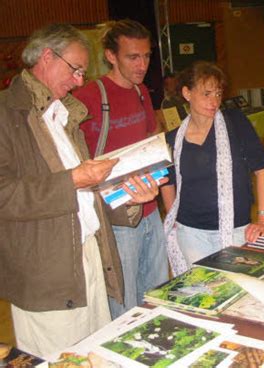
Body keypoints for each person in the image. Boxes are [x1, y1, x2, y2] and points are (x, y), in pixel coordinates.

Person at [0, 24, 160, 356]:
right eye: (75, 69)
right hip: (48, 270)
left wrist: (127, 197)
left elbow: (86, 193)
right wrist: (72, 179)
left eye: (82, 73)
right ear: (47, 57)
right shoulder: (6, 114)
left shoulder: (63, 114)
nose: (78, 81)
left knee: (93, 354)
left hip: (90, 254)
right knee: (58, 359)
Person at [74, 19, 169, 319]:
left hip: (150, 211)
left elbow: (153, 145)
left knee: (156, 298)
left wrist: (169, 206)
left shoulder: (143, 92)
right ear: (111, 56)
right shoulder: (87, 97)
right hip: (115, 218)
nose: (142, 64)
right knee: (124, 306)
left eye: (147, 56)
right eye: (133, 57)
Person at [161, 61, 264, 275]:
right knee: (204, 292)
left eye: (218, 94)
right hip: (191, 232)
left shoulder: (236, 122)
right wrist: (172, 217)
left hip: (238, 229)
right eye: (206, 94)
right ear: (187, 93)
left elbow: (262, 169)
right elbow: (168, 182)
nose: (214, 102)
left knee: (239, 291)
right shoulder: (173, 138)